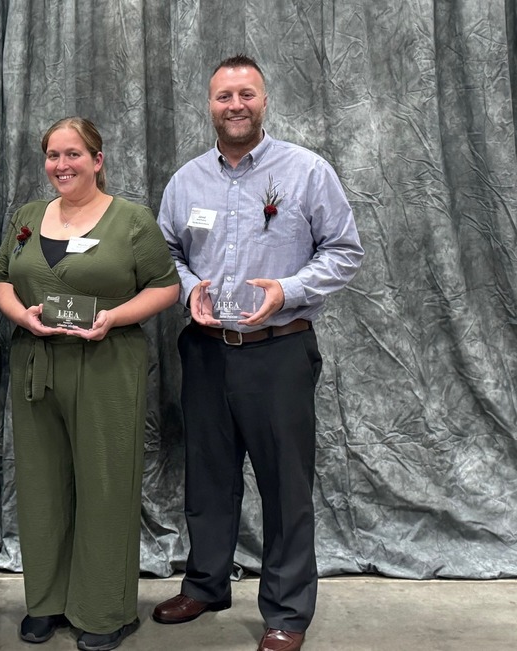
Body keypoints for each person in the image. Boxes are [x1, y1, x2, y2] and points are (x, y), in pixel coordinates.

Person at [153, 54, 365, 651]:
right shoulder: (186, 181)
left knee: (285, 486)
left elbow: (344, 250)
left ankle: (287, 611)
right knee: (208, 479)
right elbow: (165, 253)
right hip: (205, 352)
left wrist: (288, 290)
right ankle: (205, 584)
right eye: (224, 96)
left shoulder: (307, 171)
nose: (236, 105)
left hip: (279, 352)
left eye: (246, 94)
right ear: (210, 105)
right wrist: (189, 290)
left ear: (264, 100)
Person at [0, 117, 180, 651]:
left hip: (106, 364)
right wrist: (22, 317)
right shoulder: (28, 217)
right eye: (53, 155)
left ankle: (104, 609)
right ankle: (46, 602)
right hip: (37, 363)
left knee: (105, 485)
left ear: (97, 160)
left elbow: (166, 287)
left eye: (73, 154)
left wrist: (114, 317)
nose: (62, 165)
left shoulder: (132, 221)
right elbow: (0, 277)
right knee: (42, 485)